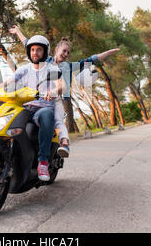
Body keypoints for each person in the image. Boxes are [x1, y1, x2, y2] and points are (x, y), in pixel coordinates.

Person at [8, 25, 121, 157]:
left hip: (56, 99)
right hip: (37, 98)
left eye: (68, 52)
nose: (66, 54)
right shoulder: (45, 59)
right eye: (64, 51)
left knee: (57, 121)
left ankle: (63, 145)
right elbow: (28, 43)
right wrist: (18, 32)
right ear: (56, 49)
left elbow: (92, 59)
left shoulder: (68, 66)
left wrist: (109, 52)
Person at [0, 35, 63, 182]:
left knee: (46, 115)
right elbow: (8, 82)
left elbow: (60, 85)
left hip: (42, 108)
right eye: (32, 49)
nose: (35, 52)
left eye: (39, 50)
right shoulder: (24, 69)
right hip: (25, 106)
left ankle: (43, 162)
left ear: (45, 52)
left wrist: (52, 92)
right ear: (29, 52)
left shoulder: (52, 69)